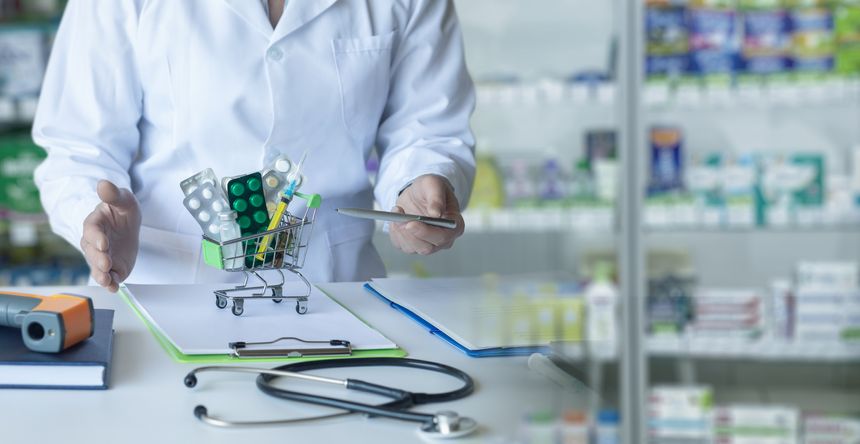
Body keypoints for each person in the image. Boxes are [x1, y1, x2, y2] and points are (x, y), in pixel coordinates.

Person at [33, 0, 476, 291]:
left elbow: (429, 129)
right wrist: (94, 218)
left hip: (335, 289)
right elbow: (78, 147)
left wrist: (420, 184)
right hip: (165, 288)